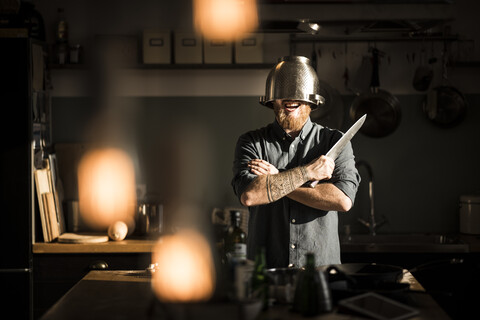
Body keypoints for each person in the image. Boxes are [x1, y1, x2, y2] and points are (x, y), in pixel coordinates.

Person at [231, 56, 361, 268]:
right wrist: (307, 173)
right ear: (271, 100)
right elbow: (250, 195)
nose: (290, 100)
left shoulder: (335, 142)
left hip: (321, 269)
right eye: (282, 96)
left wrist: (275, 179)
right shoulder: (251, 142)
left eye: (297, 95)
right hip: (266, 268)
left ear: (312, 101)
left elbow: (342, 200)